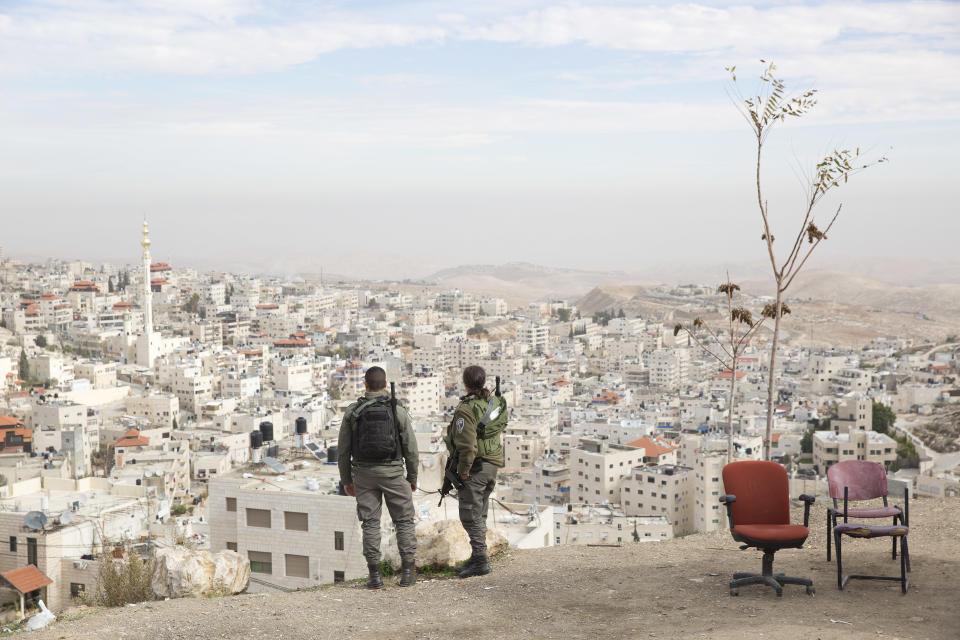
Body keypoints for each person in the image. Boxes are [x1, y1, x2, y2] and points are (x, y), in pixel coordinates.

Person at [338, 366, 419, 589]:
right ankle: (408, 573)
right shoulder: (396, 410)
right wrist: (412, 477)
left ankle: (375, 577)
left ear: (365, 384)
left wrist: (346, 480)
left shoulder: (353, 411)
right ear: (385, 385)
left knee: (370, 523)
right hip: (393, 473)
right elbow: (411, 448)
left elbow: (343, 450)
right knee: (403, 521)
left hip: (364, 476)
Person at [445, 365, 507, 578]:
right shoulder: (494, 401)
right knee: (479, 513)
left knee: (470, 515)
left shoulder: (466, 409)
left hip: (476, 467)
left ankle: (480, 561)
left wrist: (463, 471)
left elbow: (467, 446)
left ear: (465, 383)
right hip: (492, 465)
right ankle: (477, 555)